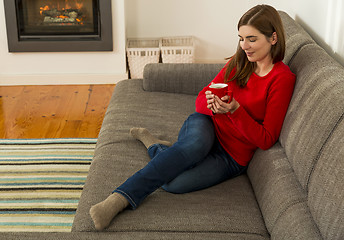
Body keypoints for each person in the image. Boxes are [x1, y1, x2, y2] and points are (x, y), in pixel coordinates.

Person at [89, 4, 296, 230]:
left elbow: (267, 138)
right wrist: (214, 107)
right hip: (207, 126)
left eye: (252, 39)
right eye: (240, 38)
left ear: (273, 38)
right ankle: (118, 199)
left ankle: (155, 146)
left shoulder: (281, 79)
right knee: (195, 146)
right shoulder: (239, 64)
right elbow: (199, 101)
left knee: (173, 183)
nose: (244, 46)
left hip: (232, 156)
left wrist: (235, 111)